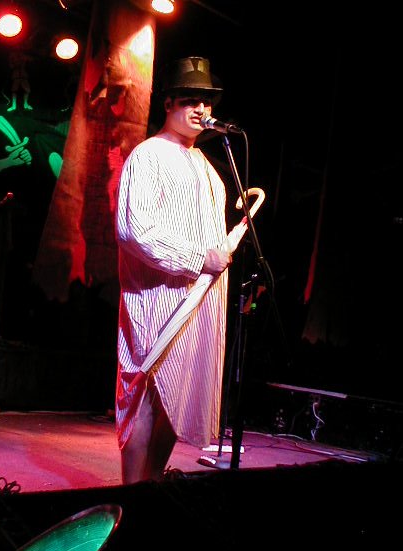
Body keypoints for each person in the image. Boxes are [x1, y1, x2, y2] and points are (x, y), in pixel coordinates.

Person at [115, 56, 232, 484]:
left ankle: (151, 486)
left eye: (207, 102)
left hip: (200, 301)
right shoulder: (148, 155)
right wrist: (198, 259)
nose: (201, 109)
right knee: (147, 395)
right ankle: (131, 496)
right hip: (156, 298)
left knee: (175, 400)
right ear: (168, 104)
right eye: (190, 101)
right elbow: (134, 229)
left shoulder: (208, 169)